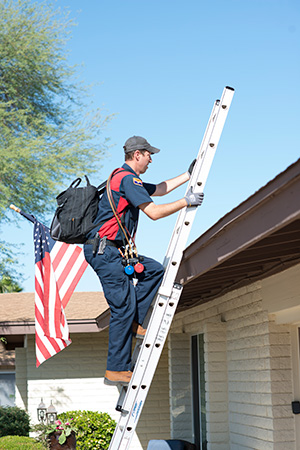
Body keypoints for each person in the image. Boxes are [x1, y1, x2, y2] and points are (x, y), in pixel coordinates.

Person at [83, 136, 204, 386]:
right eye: (149, 154)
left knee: (153, 270)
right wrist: (186, 201)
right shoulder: (126, 179)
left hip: (116, 251)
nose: (151, 159)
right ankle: (116, 369)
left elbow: (159, 189)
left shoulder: (127, 179)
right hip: (105, 252)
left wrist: (187, 175)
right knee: (121, 308)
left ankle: (135, 321)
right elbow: (155, 212)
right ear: (137, 154)